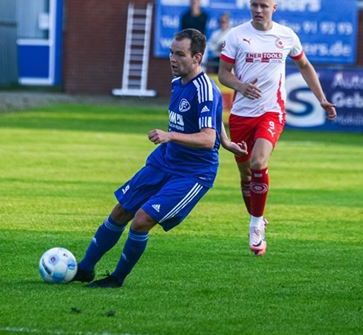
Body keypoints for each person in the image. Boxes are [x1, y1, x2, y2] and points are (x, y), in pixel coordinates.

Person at [72, 28, 248, 288]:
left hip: (193, 173)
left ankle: (117, 278)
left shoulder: (205, 90)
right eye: (170, 52)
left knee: (142, 220)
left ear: (197, 58)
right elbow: (213, 121)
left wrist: (171, 136)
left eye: (180, 54)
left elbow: (206, 138)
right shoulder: (178, 82)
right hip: (164, 161)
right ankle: (85, 268)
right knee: (121, 211)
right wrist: (227, 141)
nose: (172, 59)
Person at [218, 0, 337, 256]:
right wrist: (241, 86)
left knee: (259, 162)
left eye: (263, 5)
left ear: (274, 8)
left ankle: (255, 225)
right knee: (245, 174)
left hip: (272, 111)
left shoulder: (286, 35)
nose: (258, 10)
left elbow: (305, 66)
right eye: (254, 5)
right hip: (241, 115)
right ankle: (257, 216)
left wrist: (321, 99)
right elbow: (223, 74)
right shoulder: (237, 36)